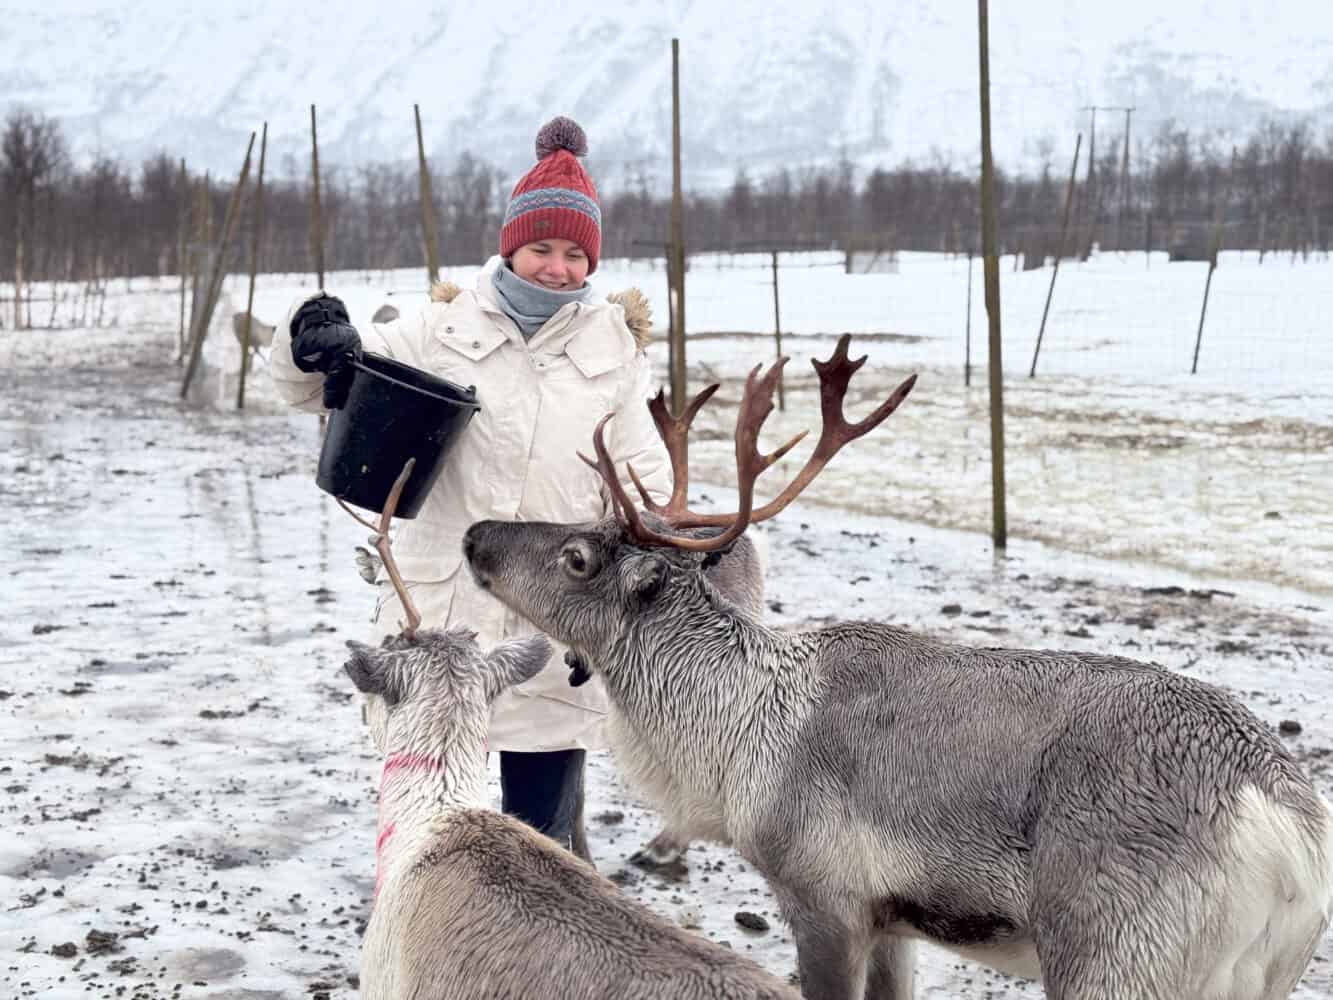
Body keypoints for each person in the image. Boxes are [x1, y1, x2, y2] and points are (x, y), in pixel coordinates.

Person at [268, 116, 670, 859]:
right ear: (511, 244)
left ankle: (537, 957)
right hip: (439, 610)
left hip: (554, 614)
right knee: (423, 824)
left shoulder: (614, 350)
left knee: (540, 834)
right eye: (542, 247)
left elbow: (646, 478)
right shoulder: (438, 327)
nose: (556, 267)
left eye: (574, 254)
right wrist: (308, 343)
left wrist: (639, 562)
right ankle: (417, 940)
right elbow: (322, 386)